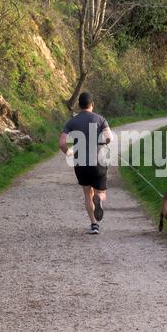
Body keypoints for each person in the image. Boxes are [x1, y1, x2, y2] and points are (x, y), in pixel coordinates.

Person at [59, 92, 113, 235]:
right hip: (99, 162)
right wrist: (101, 141)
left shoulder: (72, 121)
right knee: (101, 192)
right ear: (92, 105)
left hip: (81, 163)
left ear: (79, 105)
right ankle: (99, 198)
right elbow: (109, 138)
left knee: (87, 194)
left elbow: (62, 143)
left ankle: (94, 225)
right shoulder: (100, 119)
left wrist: (68, 152)